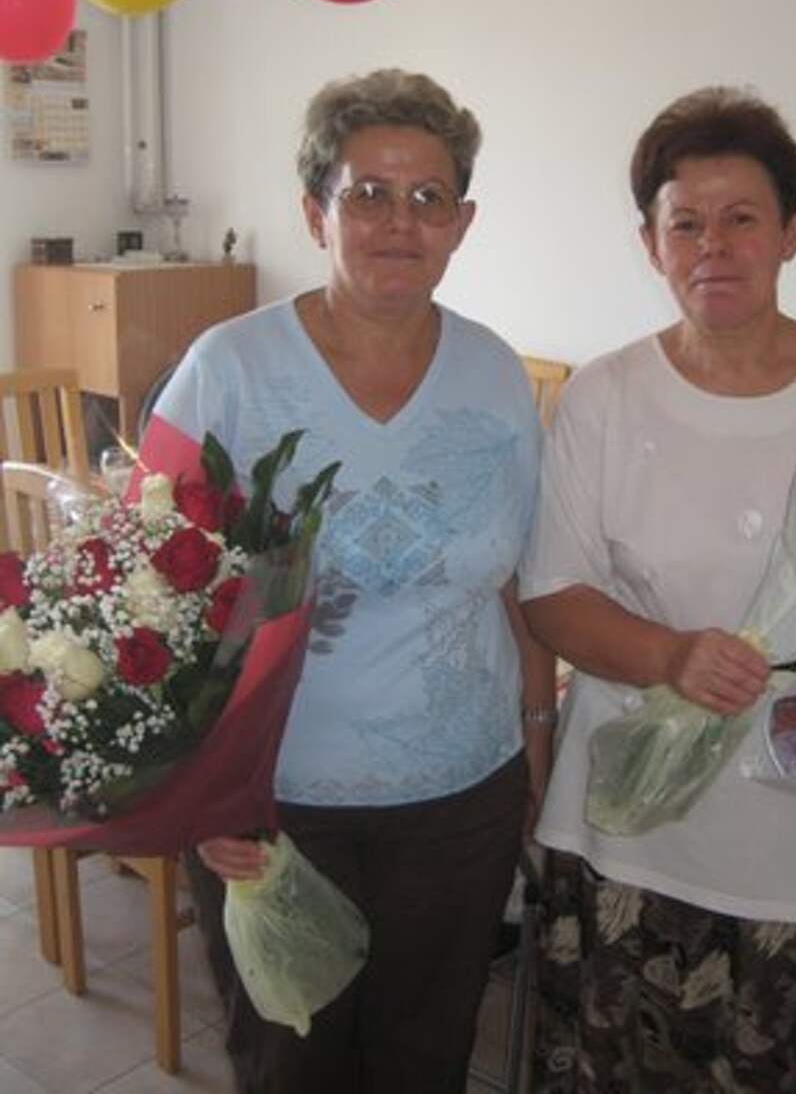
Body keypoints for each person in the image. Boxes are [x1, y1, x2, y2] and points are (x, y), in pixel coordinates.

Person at [146, 69, 554, 1094]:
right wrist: (202, 793)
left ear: (462, 222)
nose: (398, 222)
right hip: (272, 801)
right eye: (367, 192)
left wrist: (539, 742)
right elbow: (150, 607)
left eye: (427, 197)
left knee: (427, 1057)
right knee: (292, 1062)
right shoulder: (228, 370)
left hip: (462, 794)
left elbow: (520, 578)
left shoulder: (495, 373)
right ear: (313, 211)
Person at [520, 87, 796, 1094]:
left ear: (791, 232)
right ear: (650, 244)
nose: (713, 246)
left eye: (741, 217)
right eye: (684, 224)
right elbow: (551, 595)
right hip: (645, 828)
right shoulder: (604, 397)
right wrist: (669, 655)